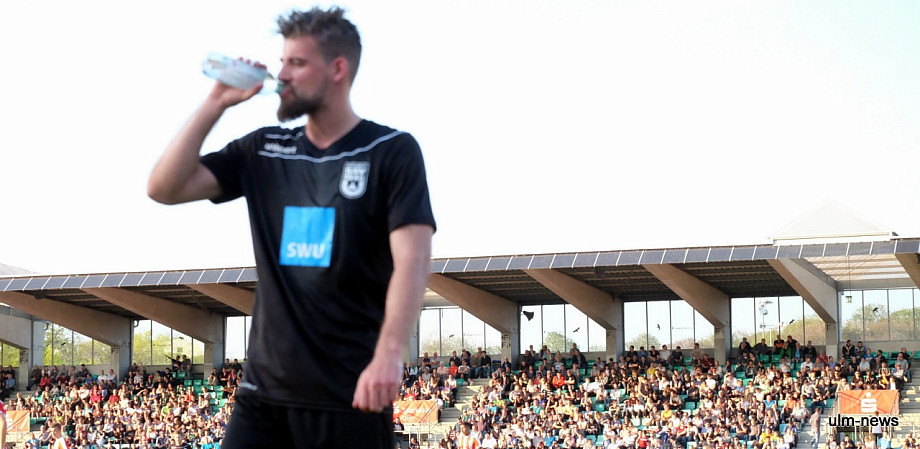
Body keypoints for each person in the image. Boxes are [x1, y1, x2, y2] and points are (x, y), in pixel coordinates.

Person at [148, 6, 436, 448]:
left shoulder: (391, 151)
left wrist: (389, 355)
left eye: (297, 63)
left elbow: (412, 261)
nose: (282, 74)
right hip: (262, 396)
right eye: (282, 61)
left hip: (349, 394)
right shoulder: (264, 149)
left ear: (337, 69)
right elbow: (164, 188)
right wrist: (216, 102)